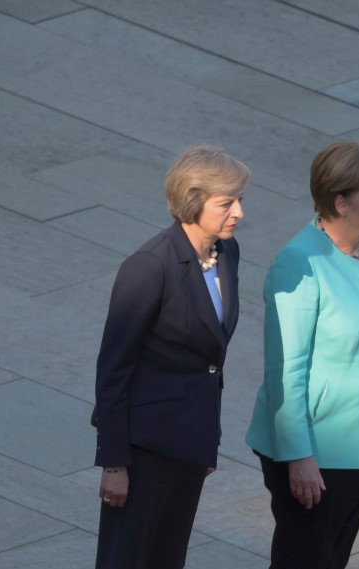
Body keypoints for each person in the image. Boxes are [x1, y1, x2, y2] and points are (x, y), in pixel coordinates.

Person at [246, 140, 359, 569]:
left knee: (332, 560)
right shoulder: (298, 264)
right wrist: (298, 458)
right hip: (313, 452)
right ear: (339, 203)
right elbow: (286, 372)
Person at [91, 145, 249, 569]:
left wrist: (206, 442)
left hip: (189, 444)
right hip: (144, 449)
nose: (238, 212)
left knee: (167, 559)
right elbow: (113, 370)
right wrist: (113, 462)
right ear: (193, 202)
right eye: (226, 203)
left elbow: (209, 360)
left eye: (239, 200)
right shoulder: (148, 267)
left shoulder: (226, 253)